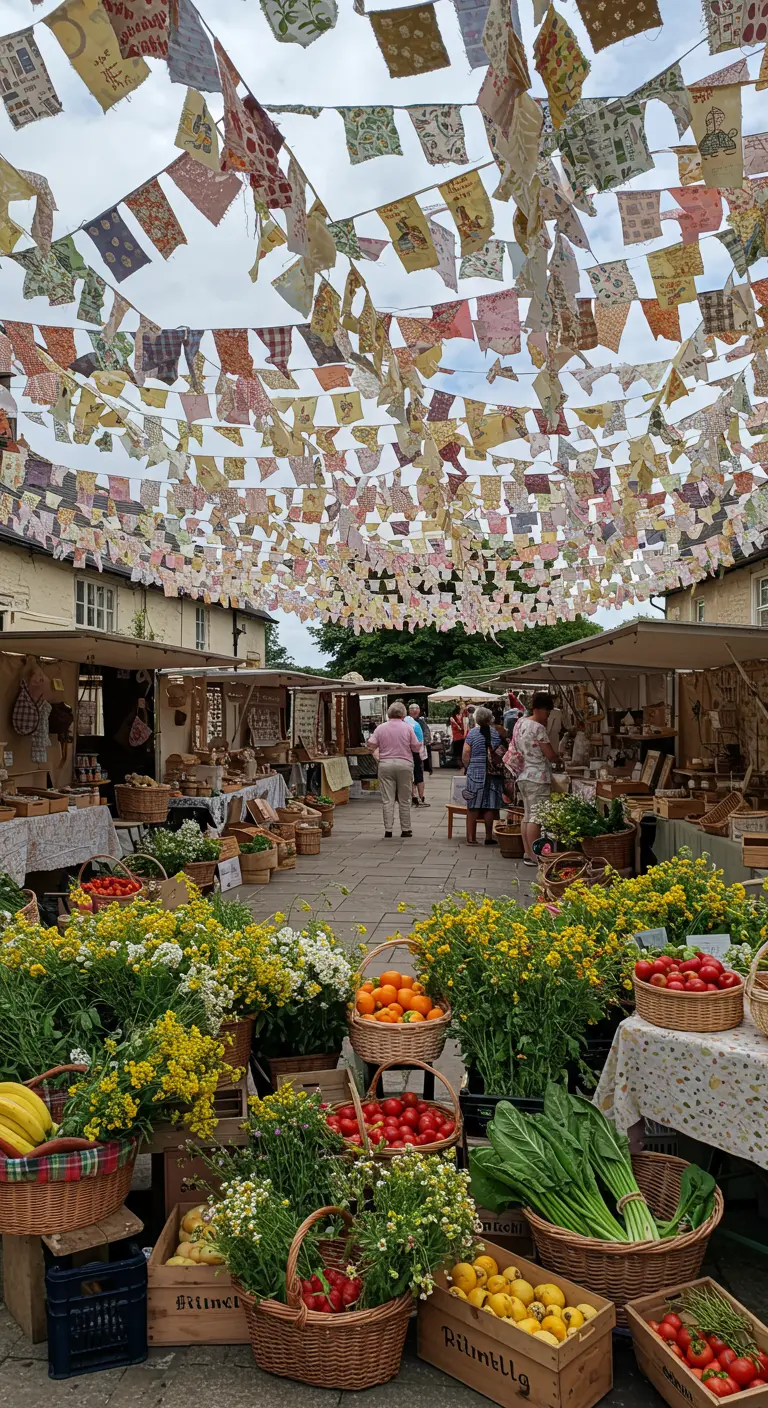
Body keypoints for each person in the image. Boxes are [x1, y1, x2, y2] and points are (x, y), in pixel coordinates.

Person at [514, 691, 559, 866]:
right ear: (538, 709)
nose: (547, 715)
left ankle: (527, 852)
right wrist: (557, 757)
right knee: (536, 817)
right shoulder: (538, 728)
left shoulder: (520, 723)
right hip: (537, 776)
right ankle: (535, 856)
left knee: (527, 815)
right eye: (547, 712)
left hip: (523, 774)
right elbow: (549, 754)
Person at [367, 701, 421, 838]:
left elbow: (371, 744)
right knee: (404, 798)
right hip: (404, 764)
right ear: (403, 714)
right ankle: (406, 829)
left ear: (388, 713)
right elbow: (416, 747)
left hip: (385, 764)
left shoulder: (381, 728)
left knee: (387, 799)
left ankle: (388, 829)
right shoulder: (408, 728)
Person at [461, 705, 504, 846]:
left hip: (475, 770)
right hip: (493, 772)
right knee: (490, 805)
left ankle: (471, 838)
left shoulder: (472, 734)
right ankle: (488, 836)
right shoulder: (496, 733)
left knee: (473, 805)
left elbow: (466, 754)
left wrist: (468, 767)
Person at [407, 703, 430, 807]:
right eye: (412, 708)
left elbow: (427, 737)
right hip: (410, 751)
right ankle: (415, 797)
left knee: (418, 773)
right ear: (408, 710)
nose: (415, 710)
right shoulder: (405, 721)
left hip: (417, 751)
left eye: (417, 708)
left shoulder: (421, 722)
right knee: (413, 774)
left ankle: (420, 797)